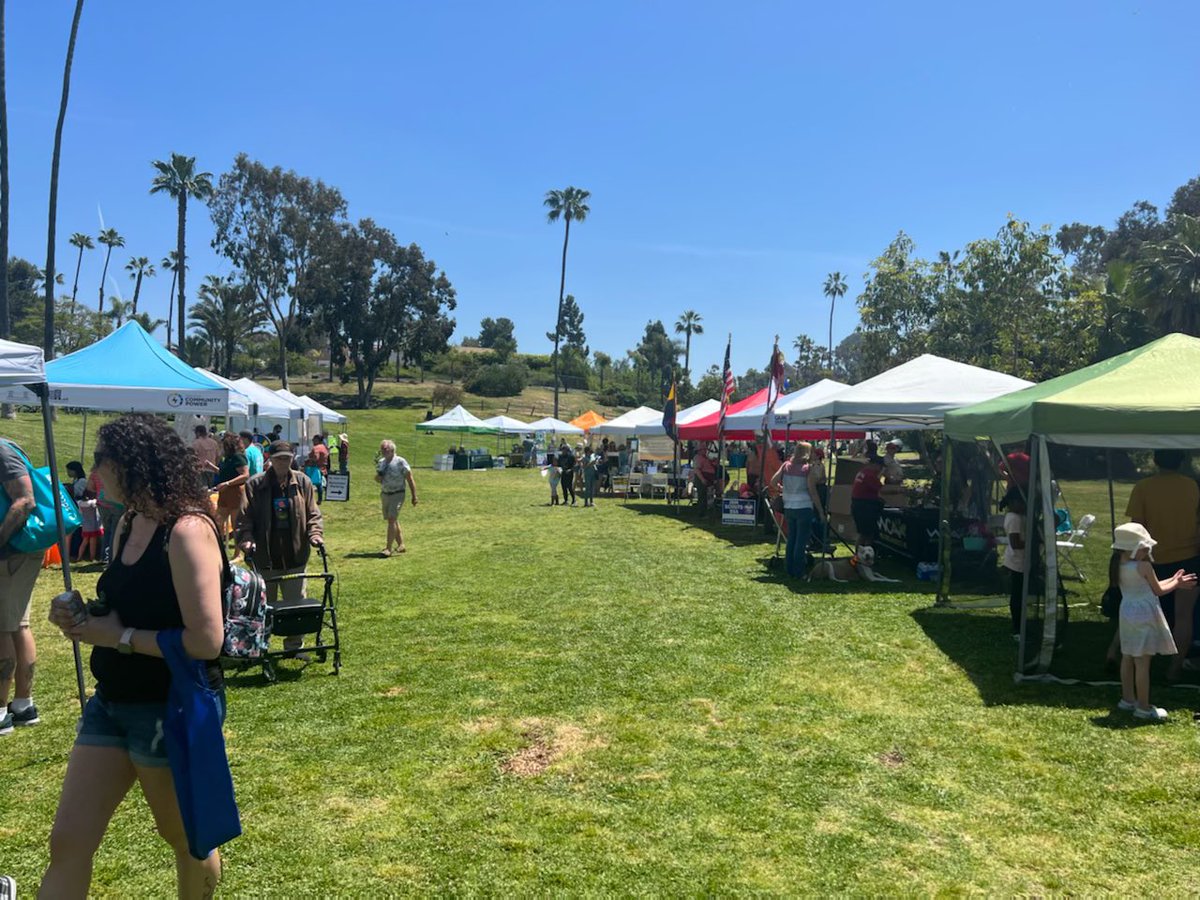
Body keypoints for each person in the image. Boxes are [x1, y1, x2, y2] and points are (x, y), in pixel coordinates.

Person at [42, 413, 227, 894]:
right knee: (68, 842)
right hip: (111, 703)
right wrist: (84, 613)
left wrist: (119, 637)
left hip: (170, 709)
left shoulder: (187, 531)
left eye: (103, 462)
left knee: (188, 841)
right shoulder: (127, 521)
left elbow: (207, 641)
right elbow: (128, 605)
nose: (97, 474)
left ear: (135, 465)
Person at [238, 442, 323, 655]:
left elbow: (313, 513)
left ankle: (295, 646)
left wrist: (315, 534)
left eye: (287, 458)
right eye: (279, 458)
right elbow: (244, 518)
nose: (283, 462)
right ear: (270, 459)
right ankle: (262, 646)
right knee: (265, 607)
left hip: (295, 555)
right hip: (266, 556)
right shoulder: (255, 484)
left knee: (295, 604)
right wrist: (246, 539)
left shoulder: (302, 482)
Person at [1124, 449, 1200, 681]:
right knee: (1184, 616)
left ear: (1156, 461)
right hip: (1189, 557)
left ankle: (1137, 659)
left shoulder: (1143, 487)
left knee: (1143, 610)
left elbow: (1137, 528)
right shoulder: (1193, 486)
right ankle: (1174, 668)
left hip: (1153, 559)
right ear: (1182, 460)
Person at [1110, 522, 1194, 722]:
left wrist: (1173, 579)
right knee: (1143, 662)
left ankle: (1128, 699)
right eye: (1145, 547)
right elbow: (1158, 591)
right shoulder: (1144, 566)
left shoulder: (1118, 563)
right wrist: (1177, 583)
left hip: (1127, 612)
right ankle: (1143, 707)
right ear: (1136, 548)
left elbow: (1149, 587)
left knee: (1128, 656)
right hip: (1144, 615)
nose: (1148, 550)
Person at [0, 438, 41, 736]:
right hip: (14, 551)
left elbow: (25, 500)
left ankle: (2, 709)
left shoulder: (2, 450)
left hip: (12, 551)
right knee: (16, 624)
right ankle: (23, 706)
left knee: (4, 626)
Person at [770, 441, 826, 579]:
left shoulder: (786, 466)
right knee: (801, 542)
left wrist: (782, 489)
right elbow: (812, 492)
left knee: (792, 540)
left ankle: (789, 570)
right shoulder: (807, 469)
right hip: (804, 507)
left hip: (789, 506)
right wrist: (820, 511)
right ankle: (799, 572)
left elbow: (772, 481)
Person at [375, 439, 417, 556]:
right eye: (382, 449)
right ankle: (401, 544)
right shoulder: (381, 462)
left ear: (392, 450)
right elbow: (378, 479)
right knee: (391, 519)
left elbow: (410, 478)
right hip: (385, 494)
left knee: (392, 519)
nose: (383, 451)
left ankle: (388, 548)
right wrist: (378, 477)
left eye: (385, 449)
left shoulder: (400, 462)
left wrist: (414, 496)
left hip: (398, 493)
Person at [1000, 486, 1026, 640]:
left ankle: (1020, 625)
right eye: (1022, 502)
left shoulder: (1019, 516)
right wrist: (1033, 541)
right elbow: (1015, 543)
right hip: (1017, 562)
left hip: (1021, 561)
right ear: (1014, 502)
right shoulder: (1013, 518)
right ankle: (1017, 629)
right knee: (1017, 596)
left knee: (1020, 594)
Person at [214, 432, 249, 542]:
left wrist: (227, 483)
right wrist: (212, 467)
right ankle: (219, 546)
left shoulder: (238, 457)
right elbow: (226, 473)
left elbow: (245, 475)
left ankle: (238, 553)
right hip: (224, 492)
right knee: (218, 521)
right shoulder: (228, 458)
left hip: (236, 492)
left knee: (235, 524)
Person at [850, 441, 884, 550]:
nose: (880, 469)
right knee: (866, 534)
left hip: (858, 505)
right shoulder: (870, 475)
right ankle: (860, 555)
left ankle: (864, 554)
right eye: (880, 467)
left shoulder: (862, 471)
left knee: (865, 533)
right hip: (865, 507)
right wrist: (898, 491)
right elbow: (881, 489)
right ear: (875, 465)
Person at [69, 462, 103, 564]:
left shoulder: (80, 503)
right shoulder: (92, 503)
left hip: (85, 527)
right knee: (93, 542)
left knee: (84, 542)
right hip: (93, 526)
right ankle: (92, 557)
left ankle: (79, 556)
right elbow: (97, 504)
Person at [191, 424, 220, 488]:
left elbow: (192, 457)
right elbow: (218, 457)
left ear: (198, 433)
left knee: (202, 490)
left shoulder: (196, 443)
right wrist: (215, 466)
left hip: (200, 470)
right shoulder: (214, 443)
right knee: (210, 489)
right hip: (212, 470)